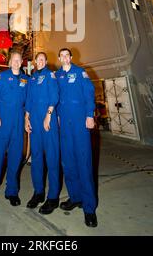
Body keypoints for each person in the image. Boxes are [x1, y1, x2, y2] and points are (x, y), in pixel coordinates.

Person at [56, 48, 98, 227]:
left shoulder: (80, 72)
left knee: (84, 162)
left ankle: (89, 208)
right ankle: (75, 197)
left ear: (71, 58)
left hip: (80, 123)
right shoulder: (56, 75)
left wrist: (90, 115)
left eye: (67, 55)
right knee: (68, 162)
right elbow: (54, 98)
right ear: (59, 58)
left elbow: (89, 94)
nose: (65, 58)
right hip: (64, 124)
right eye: (62, 56)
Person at [0, 50, 28, 212]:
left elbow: (28, 102)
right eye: (14, 60)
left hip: (18, 125)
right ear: (9, 63)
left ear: (22, 62)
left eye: (19, 60)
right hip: (2, 123)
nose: (16, 62)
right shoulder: (1, 77)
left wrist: (27, 119)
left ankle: (12, 192)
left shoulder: (26, 79)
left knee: (15, 159)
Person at [25, 52, 60, 214]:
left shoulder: (50, 75)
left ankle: (53, 197)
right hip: (35, 123)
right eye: (37, 60)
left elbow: (54, 96)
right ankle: (38, 192)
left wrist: (48, 115)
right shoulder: (32, 79)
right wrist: (26, 118)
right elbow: (29, 100)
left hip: (48, 122)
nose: (39, 62)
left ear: (45, 61)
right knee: (36, 158)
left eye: (41, 60)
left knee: (52, 158)